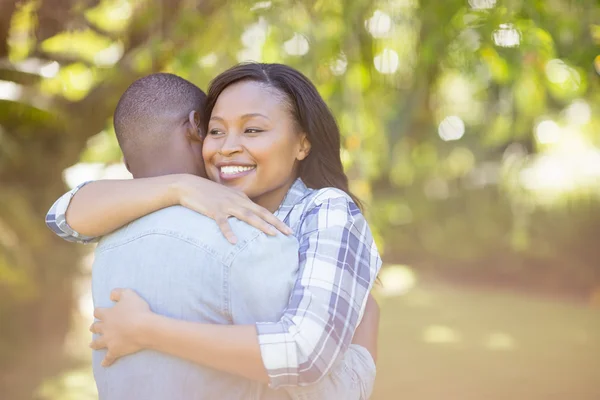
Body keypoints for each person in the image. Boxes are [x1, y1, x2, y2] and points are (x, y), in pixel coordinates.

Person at [46, 64, 381, 398]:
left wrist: (148, 329)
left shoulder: (325, 209)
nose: (228, 147)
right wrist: (179, 186)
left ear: (302, 144)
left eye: (253, 130)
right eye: (217, 131)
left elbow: (304, 355)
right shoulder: (201, 203)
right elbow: (63, 216)